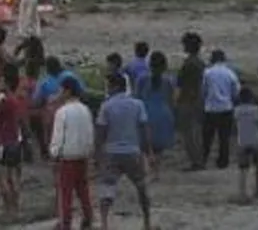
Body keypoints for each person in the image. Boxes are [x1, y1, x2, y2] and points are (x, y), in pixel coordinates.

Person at [94, 72, 152, 230]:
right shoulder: (138, 104)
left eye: (109, 86)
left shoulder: (106, 106)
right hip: (133, 151)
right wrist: (148, 152)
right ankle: (147, 222)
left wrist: (97, 155)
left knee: (107, 189)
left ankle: (104, 223)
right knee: (141, 187)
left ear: (114, 87)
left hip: (112, 152)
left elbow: (100, 132)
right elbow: (144, 129)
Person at [50, 76, 95, 230]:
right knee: (83, 189)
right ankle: (88, 217)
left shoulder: (62, 112)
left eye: (61, 90)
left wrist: (54, 153)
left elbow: (58, 136)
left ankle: (65, 222)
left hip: (67, 157)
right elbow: (89, 133)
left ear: (67, 91)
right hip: (83, 155)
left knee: (65, 192)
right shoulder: (85, 110)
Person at [0, 64, 26, 215]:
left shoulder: (2, 99)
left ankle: (8, 209)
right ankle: (16, 208)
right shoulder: (17, 98)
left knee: (1, 177)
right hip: (16, 141)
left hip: (3, 143)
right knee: (12, 178)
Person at [133, 51, 175, 179]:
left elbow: (137, 97)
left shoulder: (142, 79)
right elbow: (170, 99)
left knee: (145, 145)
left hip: (147, 112)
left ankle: (148, 168)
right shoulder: (168, 80)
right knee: (159, 147)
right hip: (163, 113)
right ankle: (156, 171)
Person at [201, 49, 240, 169]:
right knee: (224, 138)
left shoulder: (207, 72)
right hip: (226, 107)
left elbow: (203, 90)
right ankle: (223, 161)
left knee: (207, 137)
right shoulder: (230, 73)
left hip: (211, 108)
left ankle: (203, 158)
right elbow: (236, 90)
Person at [176, 32, 206, 171]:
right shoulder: (200, 63)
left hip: (188, 100)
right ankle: (198, 160)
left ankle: (196, 161)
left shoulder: (189, 64)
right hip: (198, 100)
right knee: (196, 132)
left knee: (189, 134)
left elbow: (181, 83)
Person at [234, 87, 258, 202]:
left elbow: (236, 124)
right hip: (255, 141)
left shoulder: (237, 110)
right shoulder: (256, 110)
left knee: (243, 169)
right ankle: (257, 189)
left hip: (242, 141)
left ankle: (242, 192)